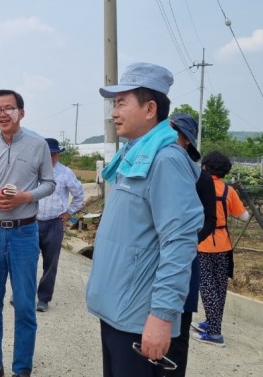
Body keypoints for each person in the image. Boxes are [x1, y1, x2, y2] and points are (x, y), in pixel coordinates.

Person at [85, 62, 203, 376]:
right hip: (119, 310)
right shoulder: (137, 154)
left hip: (140, 317)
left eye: (121, 103)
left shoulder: (166, 160)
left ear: (150, 108)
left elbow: (179, 242)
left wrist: (162, 316)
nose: (113, 112)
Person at [0, 89, 56, 377]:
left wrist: (26, 197)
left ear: (21, 112)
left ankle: (22, 369)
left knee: (24, 306)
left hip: (24, 233)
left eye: (9, 108)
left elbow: (49, 183)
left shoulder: (38, 146)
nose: (3, 113)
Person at [164, 113, 216, 376]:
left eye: (172, 131)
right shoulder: (157, 168)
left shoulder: (200, 177)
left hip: (185, 259)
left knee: (178, 331)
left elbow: (210, 220)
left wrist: (185, 243)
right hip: (156, 258)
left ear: (185, 139)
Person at [192, 150, 250, 348]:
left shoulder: (197, 187)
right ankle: (212, 323)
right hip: (224, 244)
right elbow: (244, 217)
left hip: (203, 242)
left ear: (205, 167)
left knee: (207, 288)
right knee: (219, 288)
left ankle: (215, 333)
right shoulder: (228, 191)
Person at [35, 138, 84, 313]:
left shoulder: (65, 173)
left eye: (55, 154)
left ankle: (43, 298)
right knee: (25, 261)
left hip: (54, 224)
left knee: (50, 263)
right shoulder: (33, 171)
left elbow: (79, 195)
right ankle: (22, 294)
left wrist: (69, 213)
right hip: (32, 222)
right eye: (48, 154)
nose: (52, 157)